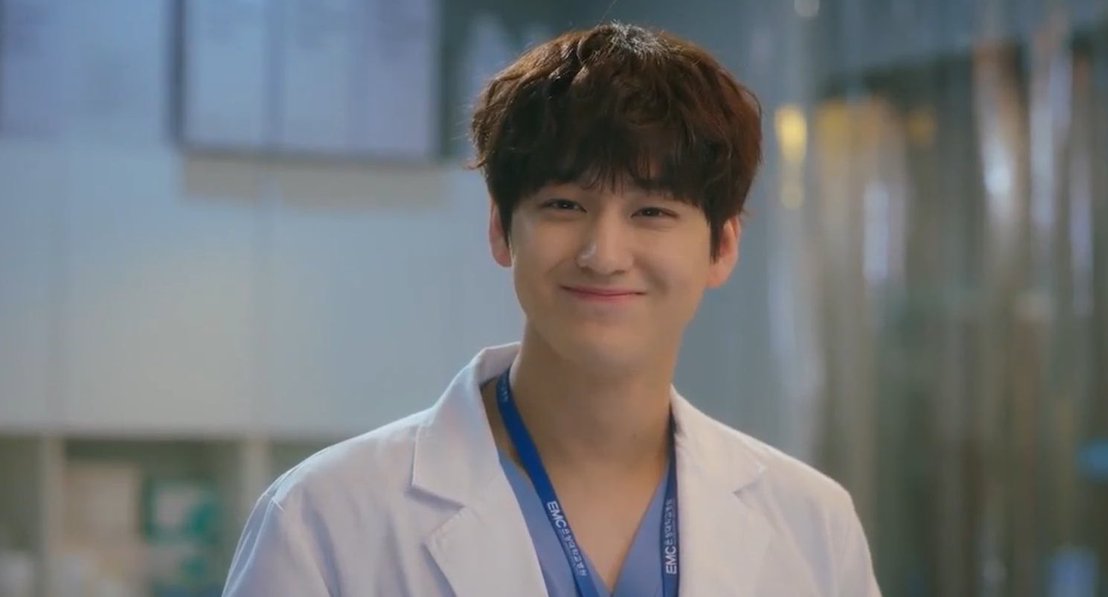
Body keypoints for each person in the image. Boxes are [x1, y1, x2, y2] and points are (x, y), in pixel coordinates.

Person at [222, 22, 880, 597]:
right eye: (565, 205)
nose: (604, 254)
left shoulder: (813, 524)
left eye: (652, 212)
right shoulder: (325, 518)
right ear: (501, 230)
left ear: (723, 247)